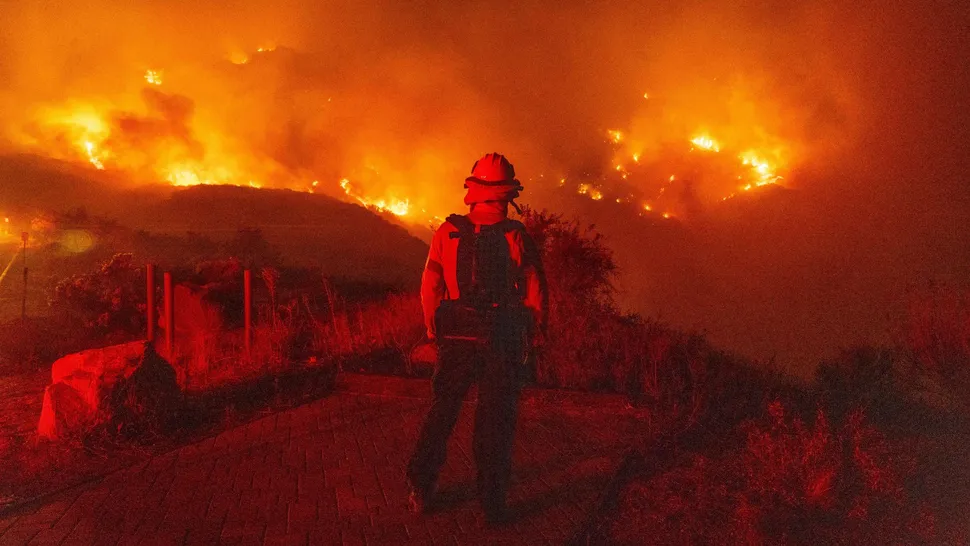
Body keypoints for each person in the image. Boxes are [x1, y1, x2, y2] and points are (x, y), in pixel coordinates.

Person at [406, 153, 547, 524]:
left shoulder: (447, 232)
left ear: (474, 189)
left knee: (442, 411)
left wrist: (434, 331)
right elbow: (534, 290)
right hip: (501, 337)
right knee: (494, 420)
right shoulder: (516, 235)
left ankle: (421, 484)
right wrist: (534, 334)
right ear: (507, 193)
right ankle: (491, 502)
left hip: (455, 336)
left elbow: (430, 286)